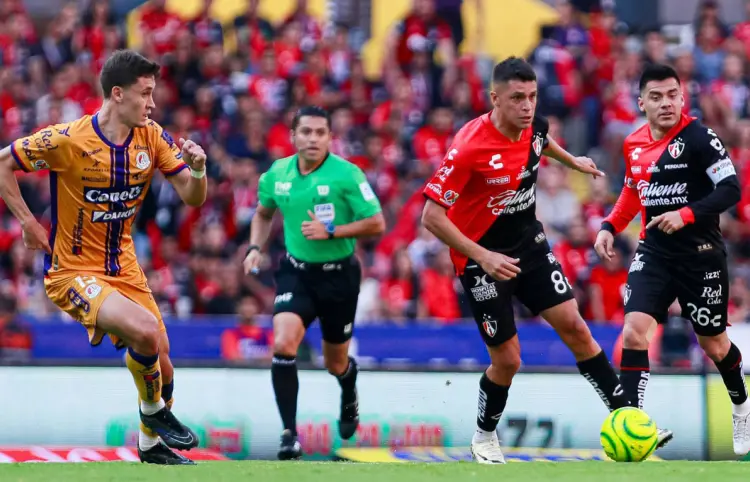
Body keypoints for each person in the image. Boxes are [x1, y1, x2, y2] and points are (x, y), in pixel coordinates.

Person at [421, 56, 643, 465]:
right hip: (480, 260)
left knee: (576, 327)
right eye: (517, 98)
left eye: (532, 96)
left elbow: (542, 142)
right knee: (508, 360)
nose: (527, 106)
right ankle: (484, 436)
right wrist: (483, 256)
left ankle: (629, 418)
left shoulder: (534, 126)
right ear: (495, 99)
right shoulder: (469, 147)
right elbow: (431, 217)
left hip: (529, 245)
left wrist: (573, 161)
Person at [0, 49, 207, 465]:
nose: (152, 103)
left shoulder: (152, 137)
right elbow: (3, 162)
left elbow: (192, 196)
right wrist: (27, 221)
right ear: (117, 94)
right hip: (72, 272)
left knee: (164, 368)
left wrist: (199, 170)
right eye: (145, 93)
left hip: (124, 267)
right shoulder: (68, 139)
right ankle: (154, 412)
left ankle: (150, 445)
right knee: (145, 332)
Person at [595, 63, 750, 455]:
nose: (666, 103)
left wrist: (686, 214)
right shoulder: (633, 143)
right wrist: (610, 226)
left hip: (701, 257)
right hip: (655, 253)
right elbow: (633, 191)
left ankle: (741, 405)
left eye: (672, 95)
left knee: (714, 345)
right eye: (656, 97)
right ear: (641, 103)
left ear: (682, 98)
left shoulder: (700, 138)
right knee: (634, 331)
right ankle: (632, 422)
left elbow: (732, 188)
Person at [243, 105, 386, 460]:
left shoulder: (347, 175)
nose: (313, 139)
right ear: (293, 136)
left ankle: (348, 387)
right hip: (297, 273)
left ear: (330, 138)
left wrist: (332, 230)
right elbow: (263, 213)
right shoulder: (277, 174)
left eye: (320, 132)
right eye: (306, 131)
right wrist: (255, 248)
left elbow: (377, 223)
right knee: (283, 343)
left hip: (339, 277)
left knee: (335, 363)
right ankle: (289, 434)